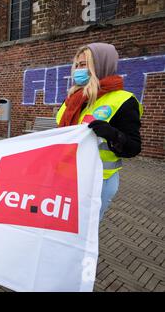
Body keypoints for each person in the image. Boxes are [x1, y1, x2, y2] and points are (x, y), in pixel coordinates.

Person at [56, 43, 143, 222]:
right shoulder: (72, 99)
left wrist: (113, 134)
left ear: (100, 66)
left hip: (98, 181)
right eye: (77, 65)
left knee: (84, 229)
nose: (79, 70)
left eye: (84, 64)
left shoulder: (123, 100)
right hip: (66, 176)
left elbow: (133, 147)